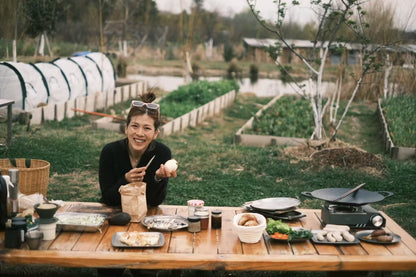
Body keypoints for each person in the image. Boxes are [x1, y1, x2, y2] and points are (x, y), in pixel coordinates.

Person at [99, 91, 177, 207]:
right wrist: (125, 180)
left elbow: (154, 202)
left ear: (155, 133)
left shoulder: (162, 153)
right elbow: (108, 199)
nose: (140, 133)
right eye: (134, 126)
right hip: (115, 214)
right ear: (126, 128)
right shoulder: (110, 151)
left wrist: (157, 178)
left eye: (147, 128)